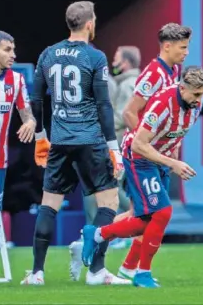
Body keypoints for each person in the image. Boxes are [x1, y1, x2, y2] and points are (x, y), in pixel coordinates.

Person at [21, 1, 129, 286]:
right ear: (90, 24)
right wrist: (113, 147)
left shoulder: (48, 53)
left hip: (59, 141)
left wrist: (41, 137)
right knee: (109, 203)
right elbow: (104, 105)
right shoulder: (95, 57)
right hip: (90, 140)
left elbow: (36, 100)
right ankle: (97, 270)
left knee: (49, 204)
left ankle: (37, 273)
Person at [82, 66, 203, 288]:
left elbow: (177, 132)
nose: (200, 99)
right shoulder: (162, 104)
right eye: (196, 94)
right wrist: (172, 162)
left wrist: (171, 154)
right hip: (139, 158)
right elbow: (139, 144)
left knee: (146, 221)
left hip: (158, 160)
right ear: (181, 88)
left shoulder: (194, 104)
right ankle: (142, 273)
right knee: (163, 212)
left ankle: (102, 240)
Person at [113, 23, 192, 280]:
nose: (186, 52)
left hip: (152, 154)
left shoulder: (174, 70)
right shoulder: (153, 75)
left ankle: (125, 265)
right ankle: (96, 238)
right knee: (151, 213)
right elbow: (128, 112)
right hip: (141, 154)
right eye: (183, 47)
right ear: (167, 46)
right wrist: (150, 148)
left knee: (142, 214)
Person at [70, 46, 142, 279]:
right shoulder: (120, 83)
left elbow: (123, 115)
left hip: (114, 141)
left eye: (116, 59)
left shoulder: (125, 84)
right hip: (108, 142)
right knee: (112, 191)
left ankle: (99, 234)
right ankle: (101, 235)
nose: (113, 62)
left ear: (127, 62)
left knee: (111, 191)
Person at [0, 30, 35, 283]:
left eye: (13, 50)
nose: (13, 55)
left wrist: (30, 123)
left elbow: (27, 114)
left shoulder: (17, 80)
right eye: (7, 50)